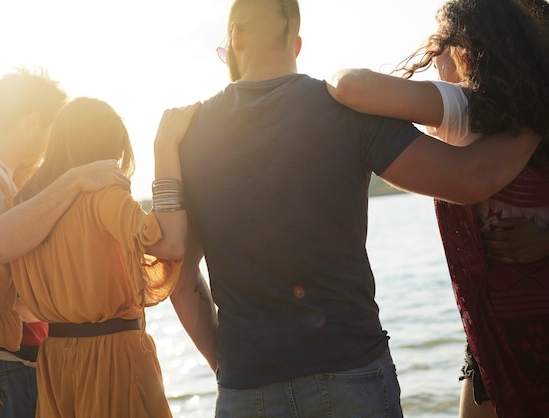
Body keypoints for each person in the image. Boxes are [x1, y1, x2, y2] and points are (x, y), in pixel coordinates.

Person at [170, 0, 542, 416]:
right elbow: (468, 178)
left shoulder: (187, 137)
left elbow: (180, 280)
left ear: (236, 37)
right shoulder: (348, 112)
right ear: (295, 44)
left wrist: (231, 369)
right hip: (352, 372)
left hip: (245, 382)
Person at [326, 1, 549, 416]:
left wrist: (332, 74)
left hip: (499, 334)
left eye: (439, 47)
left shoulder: (467, 108)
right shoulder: (535, 111)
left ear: (465, 52)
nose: (434, 60)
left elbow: (348, 86)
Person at [0, 97, 200, 418]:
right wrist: (165, 148)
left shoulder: (23, 211)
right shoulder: (104, 196)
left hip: (57, 370)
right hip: (115, 363)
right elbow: (171, 243)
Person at [0, 68, 130, 418]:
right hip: (2, 371)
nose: (52, 149)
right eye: (53, 133)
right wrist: (73, 181)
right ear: (33, 122)